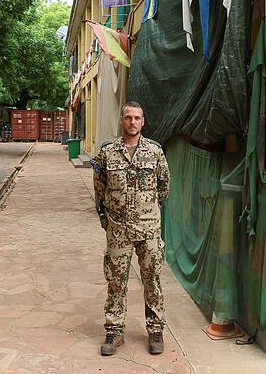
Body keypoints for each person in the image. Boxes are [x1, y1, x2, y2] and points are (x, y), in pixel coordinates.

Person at [93, 101, 170, 356]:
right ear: (122, 120)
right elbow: (99, 188)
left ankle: (156, 330)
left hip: (148, 229)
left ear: (143, 121)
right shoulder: (107, 153)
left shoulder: (155, 152)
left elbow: (163, 187)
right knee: (116, 281)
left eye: (137, 118)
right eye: (128, 118)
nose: (133, 122)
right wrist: (108, 218)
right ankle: (114, 331)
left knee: (152, 280)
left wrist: (147, 211)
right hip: (118, 230)